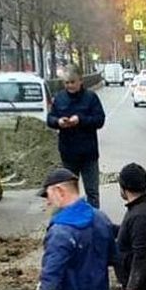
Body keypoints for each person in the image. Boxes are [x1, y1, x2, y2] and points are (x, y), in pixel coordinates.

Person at [47, 66, 106, 208]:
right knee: (69, 193)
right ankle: (72, 221)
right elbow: (50, 119)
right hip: (68, 153)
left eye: (72, 82)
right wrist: (58, 122)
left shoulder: (91, 98)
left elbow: (100, 120)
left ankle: (92, 221)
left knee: (92, 192)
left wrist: (81, 120)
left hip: (88, 154)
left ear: (80, 81)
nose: (70, 86)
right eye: (67, 83)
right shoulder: (59, 98)